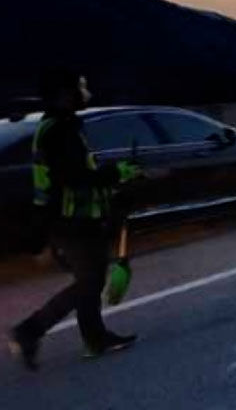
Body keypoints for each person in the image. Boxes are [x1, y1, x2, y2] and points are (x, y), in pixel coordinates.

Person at [8, 69, 141, 371]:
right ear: (64, 95)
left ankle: (93, 338)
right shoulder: (59, 131)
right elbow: (75, 177)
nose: (85, 93)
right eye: (80, 88)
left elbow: (78, 172)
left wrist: (113, 179)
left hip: (71, 219)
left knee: (91, 279)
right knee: (89, 282)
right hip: (70, 220)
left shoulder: (61, 126)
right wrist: (116, 174)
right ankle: (30, 330)